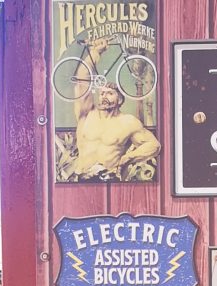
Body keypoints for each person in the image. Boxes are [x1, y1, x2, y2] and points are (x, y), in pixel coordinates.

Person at [60, 37, 160, 181]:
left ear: (120, 99)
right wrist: (95, 52)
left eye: (110, 93)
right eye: (101, 93)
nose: (104, 96)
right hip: (81, 179)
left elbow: (154, 146)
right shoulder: (86, 113)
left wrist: (127, 158)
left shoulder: (128, 122)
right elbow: (82, 79)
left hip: (108, 179)